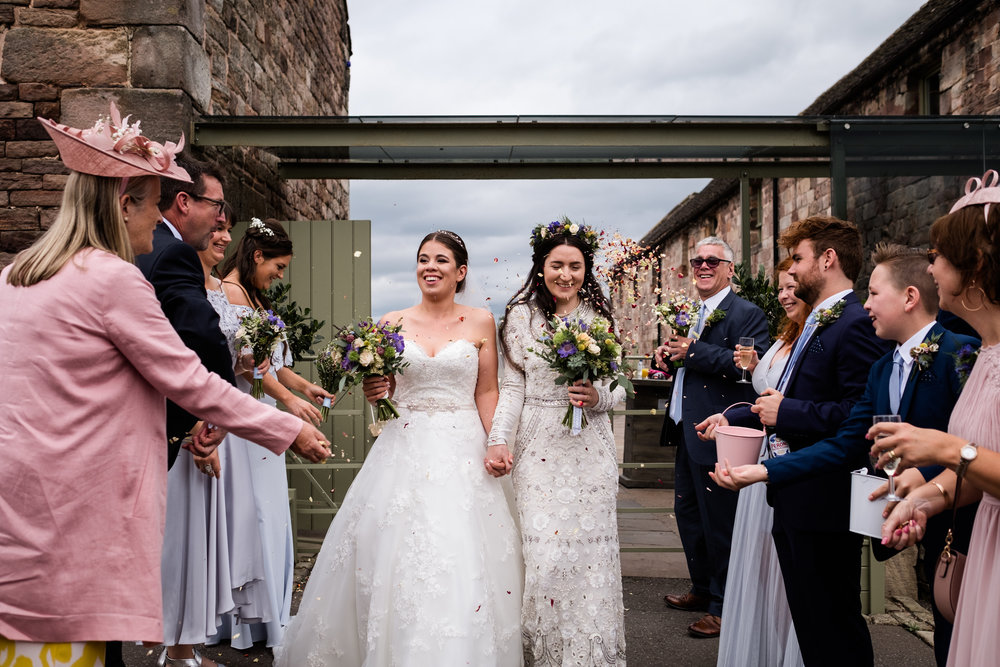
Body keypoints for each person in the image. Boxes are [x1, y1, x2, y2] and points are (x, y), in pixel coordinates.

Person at [0, 104, 329, 665]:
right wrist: (288, 425)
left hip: (18, 511)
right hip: (81, 515)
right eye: (154, 204)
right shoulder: (113, 280)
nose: (160, 218)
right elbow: (189, 380)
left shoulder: (15, 275)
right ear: (123, 203)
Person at [713, 243, 978, 667]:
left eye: (873, 294)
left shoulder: (961, 352)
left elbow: (975, 437)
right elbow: (847, 442)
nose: (865, 304)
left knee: (965, 638)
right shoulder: (882, 368)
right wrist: (764, 471)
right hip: (913, 519)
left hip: (966, 523)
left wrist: (927, 487)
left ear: (909, 297)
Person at [274, 230, 522, 666]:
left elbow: (486, 391)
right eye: (424, 259)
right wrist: (377, 391)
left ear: (460, 272)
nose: (431, 267)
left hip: (463, 447)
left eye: (442, 260)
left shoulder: (482, 321)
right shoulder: (391, 322)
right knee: (390, 548)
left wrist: (496, 440)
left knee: (460, 550)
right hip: (403, 445)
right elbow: (383, 390)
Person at [699, 216, 889, 666]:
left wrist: (788, 412)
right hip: (793, 494)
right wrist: (746, 413)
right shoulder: (816, 322)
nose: (793, 270)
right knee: (810, 621)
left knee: (832, 623)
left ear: (827, 259)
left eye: (799, 259)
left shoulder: (854, 323)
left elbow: (858, 415)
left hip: (824, 497)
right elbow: (788, 398)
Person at [874, 171, 1000, 666]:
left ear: (976, 267)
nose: (932, 270)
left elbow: (967, 454)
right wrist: (925, 499)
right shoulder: (987, 353)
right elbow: (978, 471)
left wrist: (945, 449)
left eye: (938, 257)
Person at [488, 219, 627, 664]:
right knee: (545, 559)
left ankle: (589, 655)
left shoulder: (600, 319)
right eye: (557, 265)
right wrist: (498, 440)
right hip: (538, 449)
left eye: (576, 266)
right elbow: (511, 389)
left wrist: (598, 396)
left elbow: (618, 385)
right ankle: (547, 655)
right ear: (540, 267)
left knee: (588, 559)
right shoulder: (520, 318)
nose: (566, 275)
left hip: (591, 448)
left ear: (587, 269)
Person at [211, 218, 334, 650]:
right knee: (253, 516)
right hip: (245, 418)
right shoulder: (228, 294)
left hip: (261, 410)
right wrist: (288, 404)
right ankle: (247, 619)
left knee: (269, 514)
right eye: (278, 266)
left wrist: (304, 387)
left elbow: (275, 364)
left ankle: (269, 615)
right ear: (258, 255)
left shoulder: (253, 297)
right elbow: (251, 366)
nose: (280, 275)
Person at [653, 236, 768, 639]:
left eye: (712, 261)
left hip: (718, 433)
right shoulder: (691, 313)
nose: (703, 266)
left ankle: (723, 606)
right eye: (697, 261)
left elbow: (748, 367)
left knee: (720, 523)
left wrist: (694, 351)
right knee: (689, 517)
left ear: (730, 269)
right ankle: (702, 589)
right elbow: (689, 365)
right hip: (686, 430)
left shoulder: (747, 313)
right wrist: (668, 359)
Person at [716, 257, 806, 667]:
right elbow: (761, 401)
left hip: (785, 465)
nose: (785, 294)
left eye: (792, 286)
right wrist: (728, 414)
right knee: (758, 565)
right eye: (781, 288)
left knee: (785, 575)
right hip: (761, 467)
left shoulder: (814, 338)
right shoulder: (786, 336)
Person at [136, 157, 236, 470]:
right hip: (151, 422)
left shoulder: (142, 245)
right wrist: (226, 406)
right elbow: (200, 334)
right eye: (216, 206)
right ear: (184, 202)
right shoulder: (172, 252)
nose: (220, 219)